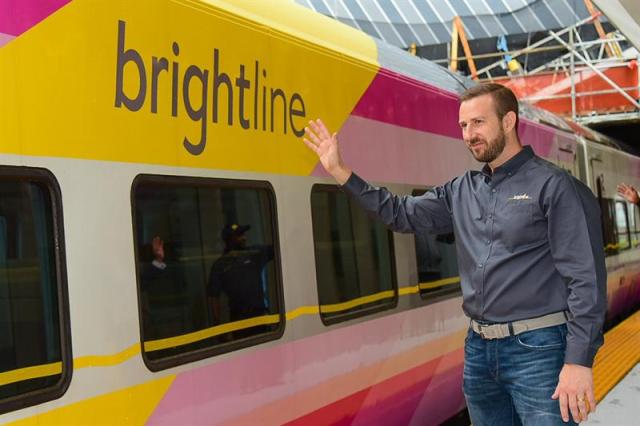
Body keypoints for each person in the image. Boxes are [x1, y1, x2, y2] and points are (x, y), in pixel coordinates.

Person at [302, 83, 606, 425]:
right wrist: (341, 171)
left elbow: (586, 279)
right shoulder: (461, 190)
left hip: (539, 349)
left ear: (508, 121)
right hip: (480, 348)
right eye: (463, 126)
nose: (469, 135)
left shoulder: (555, 186)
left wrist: (578, 361)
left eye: (478, 123)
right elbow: (399, 213)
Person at [207, 223, 274, 334]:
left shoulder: (255, 254)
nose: (244, 238)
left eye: (243, 234)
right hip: (238, 319)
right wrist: (218, 327)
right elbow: (214, 296)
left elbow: (277, 248)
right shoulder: (220, 264)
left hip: (260, 316)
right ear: (229, 240)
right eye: (239, 235)